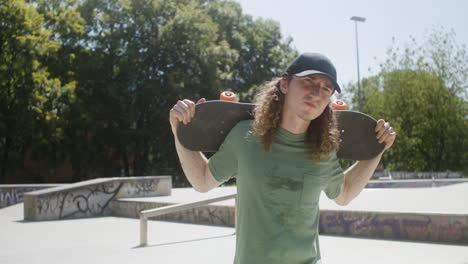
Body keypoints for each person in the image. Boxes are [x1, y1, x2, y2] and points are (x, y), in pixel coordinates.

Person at [169, 52, 396, 264]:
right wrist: (179, 130)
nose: (317, 93)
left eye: (326, 89)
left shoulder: (323, 149)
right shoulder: (245, 135)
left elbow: (344, 194)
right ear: (285, 84)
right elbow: (202, 180)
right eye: (309, 81)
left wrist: (376, 151)